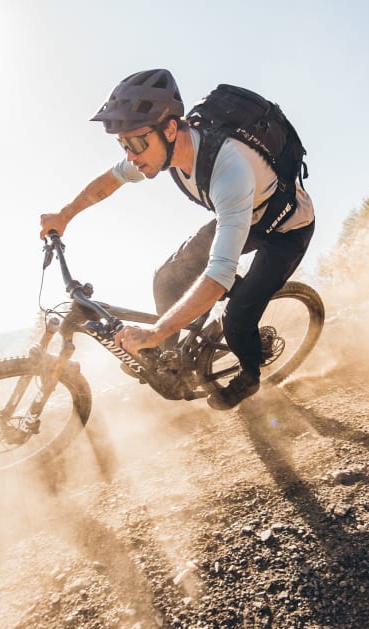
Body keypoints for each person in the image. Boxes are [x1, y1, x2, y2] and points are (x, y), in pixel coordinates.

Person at [39, 69, 315, 410]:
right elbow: (107, 182)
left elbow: (219, 272)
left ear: (170, 129)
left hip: (287, 229)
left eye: (137, 142)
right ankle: (172, 365)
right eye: (123, 144)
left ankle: (249, 373)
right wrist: (64, 215)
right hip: (245, 214)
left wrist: (154, 331)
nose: (130, 155)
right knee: (167, 277)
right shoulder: (159, 152)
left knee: (238, 316)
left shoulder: (231, 171)